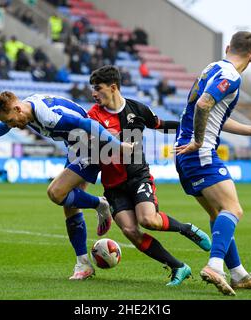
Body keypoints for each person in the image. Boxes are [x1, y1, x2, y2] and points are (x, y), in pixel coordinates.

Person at [0, 92, 134, 280]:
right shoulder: (25, 110)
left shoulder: (49, 116)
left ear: (17, 108)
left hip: (94, 146)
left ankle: (100, 204)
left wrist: (117, 145)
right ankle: (84, 264)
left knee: (56, 193)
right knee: (69, 207)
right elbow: (2, 127)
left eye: (11, 120)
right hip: (76, 148)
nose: (12, 125)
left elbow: (88, 124)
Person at [174, 31, 251, 295]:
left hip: (183, 152)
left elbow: (213, 114)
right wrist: (199, 142)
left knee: (217, 213)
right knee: (233, 209)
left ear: (228, 46)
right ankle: (214, 266)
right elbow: (203, 104)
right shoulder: (231, 75)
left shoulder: (212, 68)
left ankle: (238, 274)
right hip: (199, 152)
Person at [87, 65, 211, 286]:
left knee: (148, 220)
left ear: (113, 87)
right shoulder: (93, 115)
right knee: (130, 231)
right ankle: (178, 267)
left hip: (138, 177)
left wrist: (193, 127)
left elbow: (161, 125)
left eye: (98, 88)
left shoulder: (137, 110)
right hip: (113, 187)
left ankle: (186, 229)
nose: (94, 93)